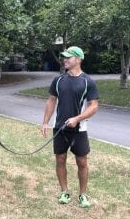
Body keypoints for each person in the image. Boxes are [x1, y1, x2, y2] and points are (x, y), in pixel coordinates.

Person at [41, 46, 99, 208]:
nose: (65, 59)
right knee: (60, 159)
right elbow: (51, 100)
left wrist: (78, 118)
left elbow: (94, 106)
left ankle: (82, 195)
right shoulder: (58, 80)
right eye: (64, 57)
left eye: (68, 57)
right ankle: (64, 191)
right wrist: (45, 121)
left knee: (82, 162)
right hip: (59, 128)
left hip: (79, 130)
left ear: (78, 59)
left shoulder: (87, 81)